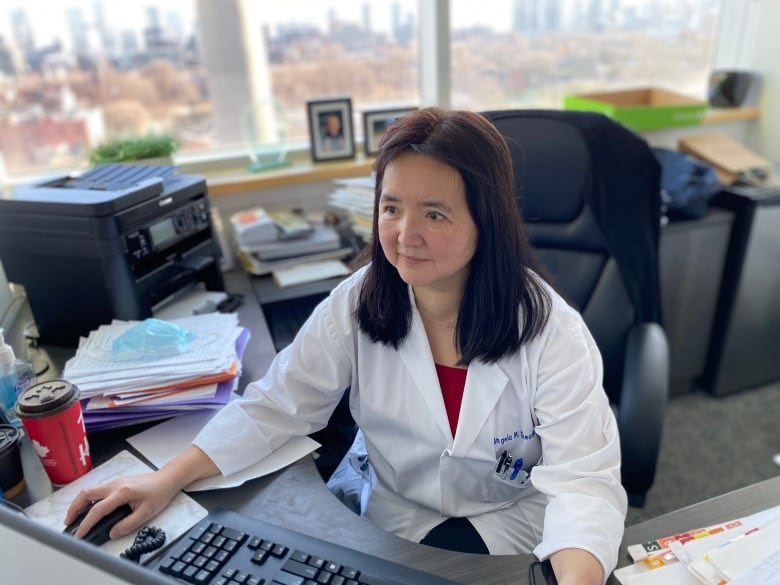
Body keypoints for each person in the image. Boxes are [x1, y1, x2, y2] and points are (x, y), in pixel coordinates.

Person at [66, 108, 627, 585]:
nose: (405, 233)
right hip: (391, 516)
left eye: (435, 213)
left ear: (487, 220)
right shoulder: (358, 302)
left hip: (512, 521)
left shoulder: (550, 331)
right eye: (391, 207)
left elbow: (584, 485)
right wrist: (167, 477)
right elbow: (277, 406)